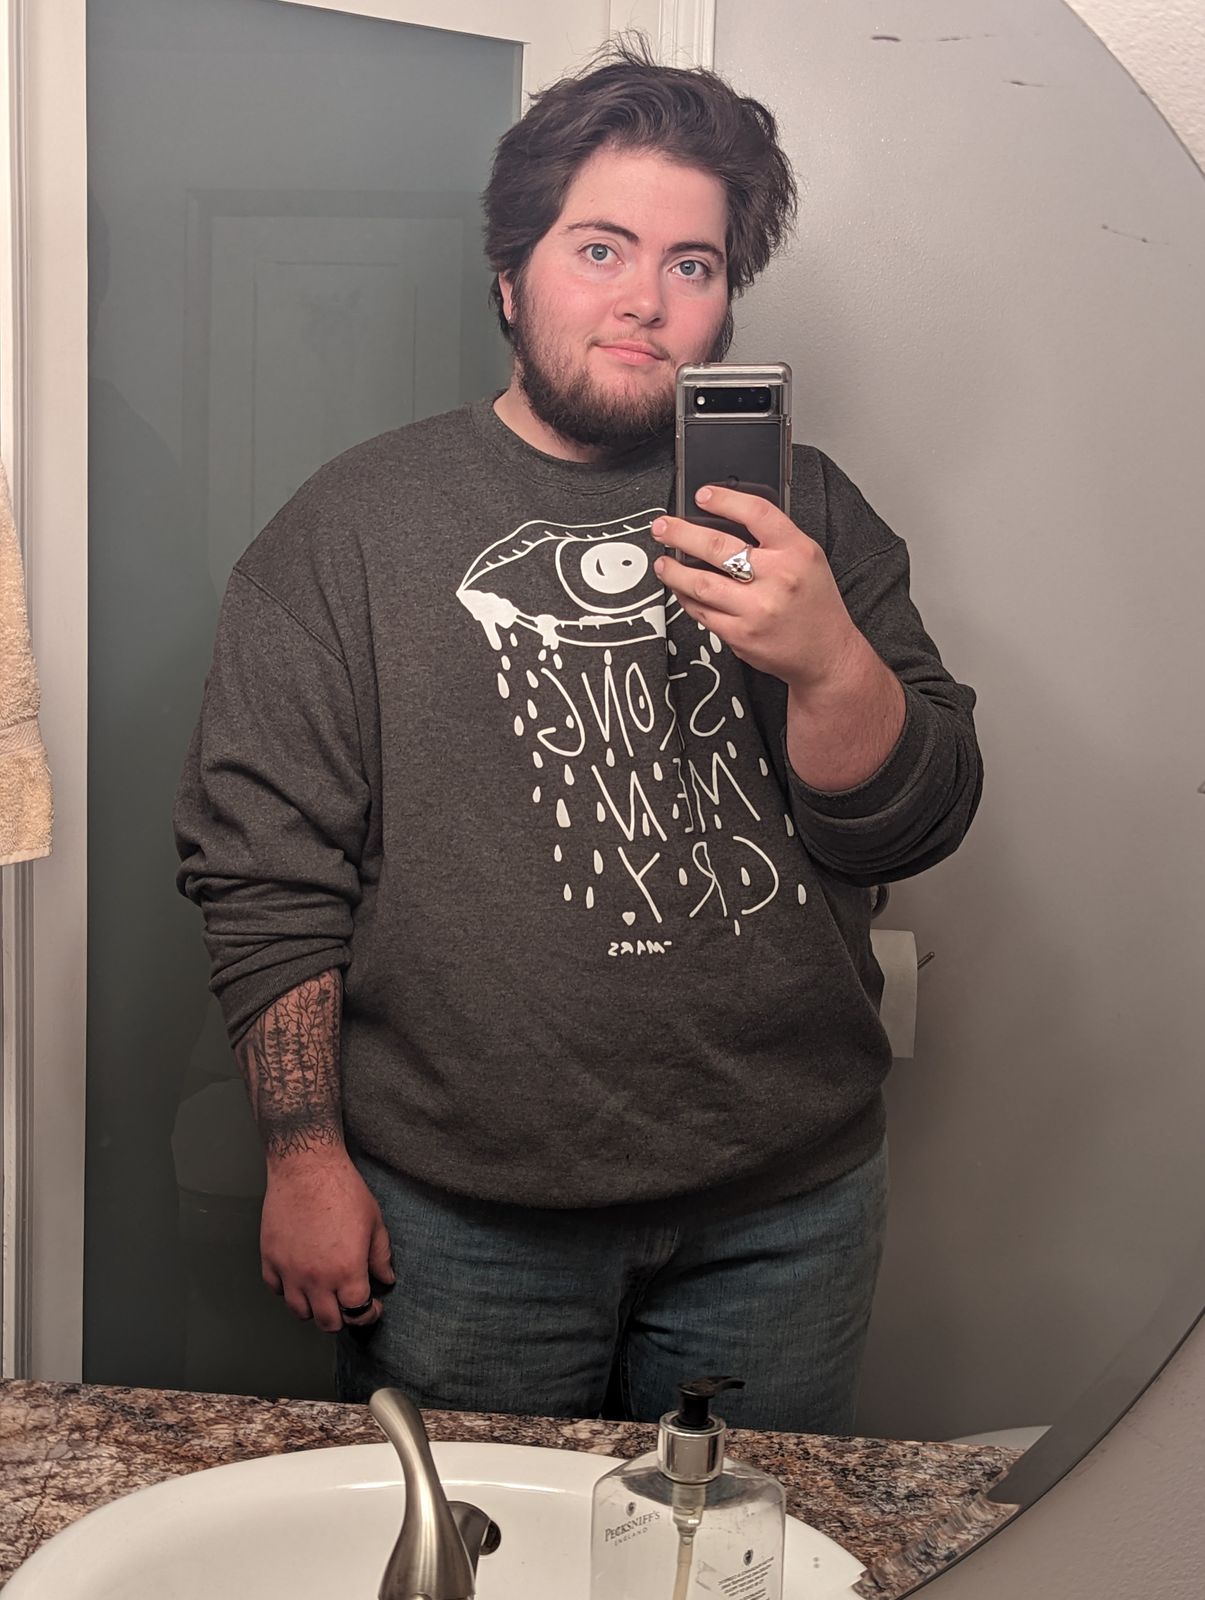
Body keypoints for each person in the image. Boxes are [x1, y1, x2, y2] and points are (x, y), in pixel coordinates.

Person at [174, 39, 982, 1433]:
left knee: (736, 1544)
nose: (644, 300)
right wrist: (302, 1155)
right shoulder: (348, 530)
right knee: (472, 1546)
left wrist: (828, 659)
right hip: (460, 1226)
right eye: (599, 248)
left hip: (785, 1210)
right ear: (510, 273)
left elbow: (912, 823)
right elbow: (266, 876)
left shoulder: (808, 515)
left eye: (691, 264)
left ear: (724, 302)